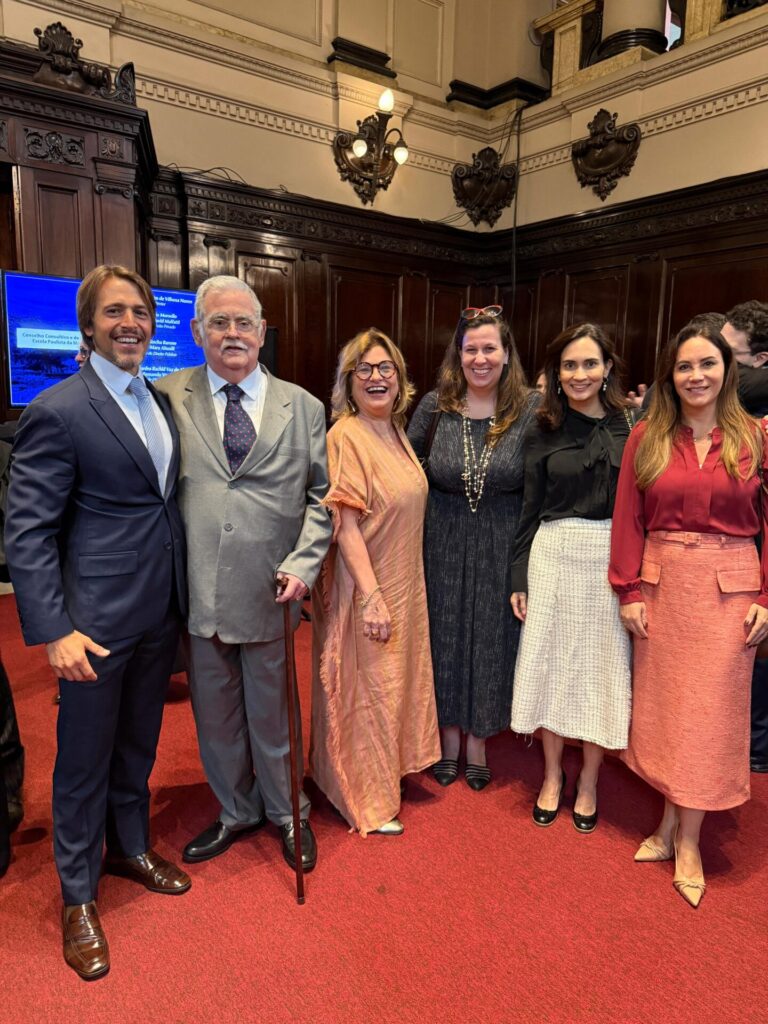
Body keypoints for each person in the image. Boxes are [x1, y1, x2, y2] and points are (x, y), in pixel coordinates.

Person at [4, 265, 190, 980]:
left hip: (155, 614)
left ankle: (130, 847)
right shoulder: (59, 409)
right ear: (89, 325)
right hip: (91, 624)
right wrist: (54, 631)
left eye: (140, 311)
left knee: (139, 746)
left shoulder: (158, 401)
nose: (131, 323)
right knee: (81, 764)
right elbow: (27, 533)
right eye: (114, 312)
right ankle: (77, 897)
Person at [155, 275, 331, 873]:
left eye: (244, 323)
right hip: (198, 587)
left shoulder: (303, 406)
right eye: (219, 323)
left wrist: (305, 564)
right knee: (216, 716)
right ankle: (236, 811)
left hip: (271, 588)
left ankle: (287, 812)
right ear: (198, 331)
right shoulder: (165, 395)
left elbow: (322, 499)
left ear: (261, 332)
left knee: (274, 712)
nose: (232, 333)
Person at [609, 323, 768, 908]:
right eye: (684, 366)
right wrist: (627, 589)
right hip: (662, 584)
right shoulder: (647, 436)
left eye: (707, 364)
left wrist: (767, 598)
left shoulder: (757, 437)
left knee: (708, 716)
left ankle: (690, 842)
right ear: (669, 375)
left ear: (727, 370)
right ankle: (669, 825)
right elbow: (628, 515)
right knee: (668, 711)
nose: (696, 376)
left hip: (729, 592)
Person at [311, 329, 440, 834]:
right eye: (364, 369)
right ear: (348, 382)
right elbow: (344, 524)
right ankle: (364, 797)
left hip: (403, 578)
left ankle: (384, 775)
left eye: (386, 368)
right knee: (367, 689)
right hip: (370, 585)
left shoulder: (395, 430)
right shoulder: (347, 434)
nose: (376, 377)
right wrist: (372, 597)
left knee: (390, 685)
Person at [408, 305, 538, 789]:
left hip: (501, 537)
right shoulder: (434, 406)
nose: (480, 358)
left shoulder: (530, 409)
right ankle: (446, 738)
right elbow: (404, 466)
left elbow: (540, 483)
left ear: (506, 355)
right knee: (443, 635)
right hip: (440, 535)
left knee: (490, 638)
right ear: (457, 355)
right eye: (471, 349)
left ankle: (479, 739)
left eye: (490, 349)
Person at [509, 323, 632, 832]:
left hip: (610, 556)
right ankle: (554, 774)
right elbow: (529, 507)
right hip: (553, 553)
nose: (579, 374)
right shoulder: (542, 427)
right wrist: (518, 575)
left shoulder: (631, 426)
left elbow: (639, 510)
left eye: (589, 363)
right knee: (553, 668)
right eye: (568, 365)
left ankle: (590, 781)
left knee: (604, 671)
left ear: (607, 369)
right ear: (556, 374)